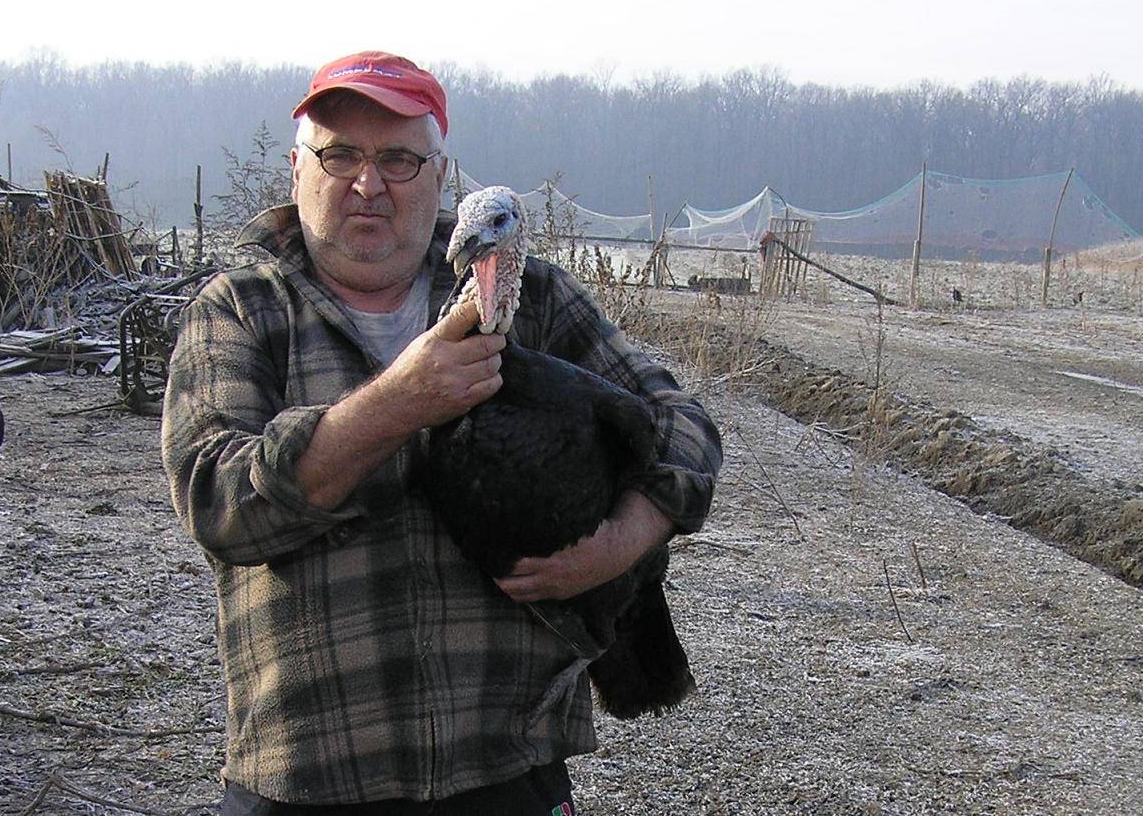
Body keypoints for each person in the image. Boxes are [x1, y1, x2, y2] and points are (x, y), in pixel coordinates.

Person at [161, 50, 723, 815]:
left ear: (438, 174)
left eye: (397, 158)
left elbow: (679, 422)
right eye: (340, 155)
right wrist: (401, 401)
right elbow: (218, 500)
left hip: (508, 768)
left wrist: (622, 542)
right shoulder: (240, 310)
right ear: (298, 171)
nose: (368, 183)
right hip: (310, 776)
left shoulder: (526, 294)